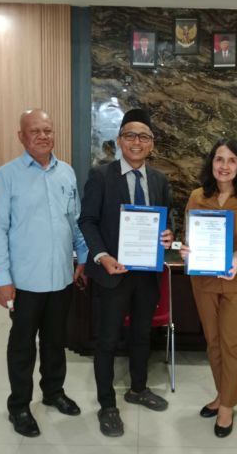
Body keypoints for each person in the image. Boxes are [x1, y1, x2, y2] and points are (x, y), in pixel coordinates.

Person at [0, 109, 88, 438]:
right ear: (21, 136)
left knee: (55, 341)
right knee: (22, 346)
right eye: (35, 131)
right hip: (25, 282)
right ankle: (18, 405)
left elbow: (75, 222)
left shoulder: (67, 174)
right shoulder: (7, 176)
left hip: (61, 277)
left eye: (48, 130)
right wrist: (2, 279)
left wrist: (84, 258)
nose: (43, 136)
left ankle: (54, 392)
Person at [79, 108, 174, 437]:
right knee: (106, 341)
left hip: (147, 276)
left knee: (142, 336)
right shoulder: (100, 176)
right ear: (119, 141)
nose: (137, 142)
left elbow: (168, 223)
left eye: (144, 137)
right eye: (130, 135)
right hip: (111, 273)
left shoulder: (160, 180)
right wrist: (102, 256)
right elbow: (87, 221)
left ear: (151, 144)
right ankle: (107, 405)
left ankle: (138, 389)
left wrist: (169, 235)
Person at [180, 138, 237, 438]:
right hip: (204, 281)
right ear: (211, 163)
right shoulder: (196, 196)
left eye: (232, 160)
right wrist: (185, 250)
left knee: (232, 344)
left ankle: (227, 408)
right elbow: (188, 238)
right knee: (214, 342)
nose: (224, 166)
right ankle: (223, 394)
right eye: (219, 159)